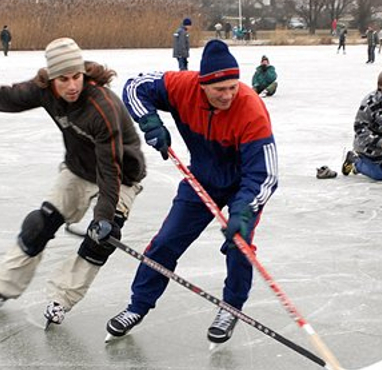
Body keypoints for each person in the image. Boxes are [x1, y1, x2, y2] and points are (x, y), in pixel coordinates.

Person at [0, 38, 146, 326]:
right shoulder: (43, 91)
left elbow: (111, 170)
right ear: (51, 78)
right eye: (63, 79)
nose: (72, 86)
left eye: (76, 77)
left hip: (120, 177)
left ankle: (62, 298)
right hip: (78, 170)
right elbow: (1, 97)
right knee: (39, 225)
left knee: (101, 240)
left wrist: (104, 218)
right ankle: (3, 288)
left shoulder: (102, 107)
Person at [107, 39, 278, 345]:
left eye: (232, 87)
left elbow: (265, 174)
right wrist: (149, 120)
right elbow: (135, 87)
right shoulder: (181, 87)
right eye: (219, 90)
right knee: (166, 242)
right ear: (203, 85)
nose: (227, 95)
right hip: (201, 179)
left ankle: (231, 308)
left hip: (243, 185)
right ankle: (137, 306)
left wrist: (244, 210)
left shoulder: (251, 111)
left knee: (239, 245)